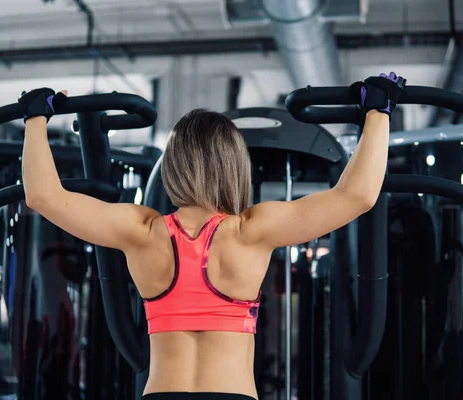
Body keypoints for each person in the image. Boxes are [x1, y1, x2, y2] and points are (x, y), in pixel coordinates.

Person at [20, 72, 405, 400]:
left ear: (174, 165)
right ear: (233, 165)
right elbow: (357, 195)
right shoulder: (250, 232)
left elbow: (42, 196)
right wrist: (379, 109)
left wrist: (36, 117)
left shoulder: (142, 231)